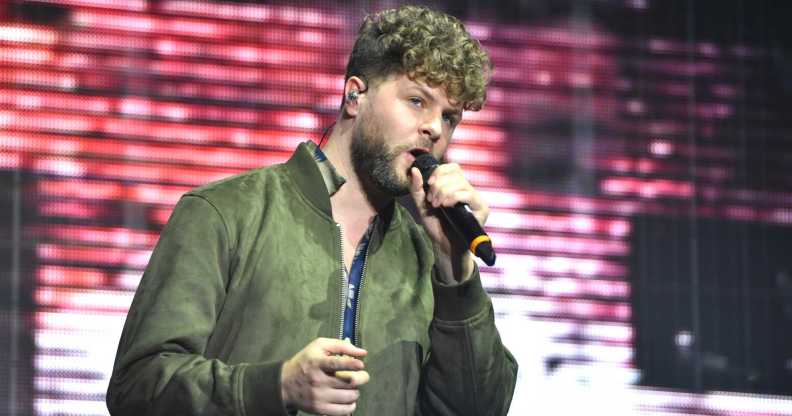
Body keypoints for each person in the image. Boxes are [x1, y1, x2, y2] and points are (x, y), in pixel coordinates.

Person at [106, 5, 518, 415]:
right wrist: (276, 386)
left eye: (449, 117)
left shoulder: (432, 259)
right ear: (354, 94)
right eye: (416, 101)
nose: (434, 128)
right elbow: (137, 386)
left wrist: (456, 271)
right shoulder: (224, 213)